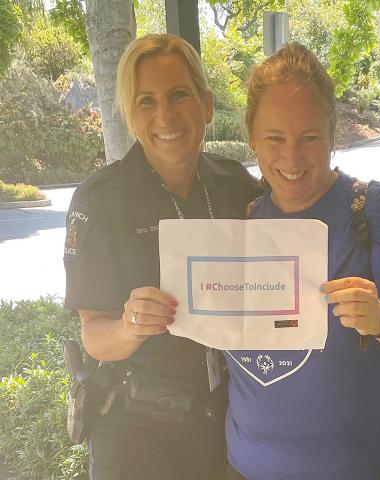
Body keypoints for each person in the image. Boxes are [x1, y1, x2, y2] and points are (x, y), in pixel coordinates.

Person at [224, 43, 380, 480]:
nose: (291, 157)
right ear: (251, 137)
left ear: (332, 136)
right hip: (250, 467)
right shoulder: (244, 220)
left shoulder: (373, 207)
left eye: (309, 138)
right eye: (274, 138)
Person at [63, 33, 260, 480]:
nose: (165, 115)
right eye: (146, 101)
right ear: (132, 116)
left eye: (178, 96)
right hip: (136, 434)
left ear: (206, 104)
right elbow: (94, 335)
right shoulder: (100, 201)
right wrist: (131, 325)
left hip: (225, 424)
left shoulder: (235, 185)